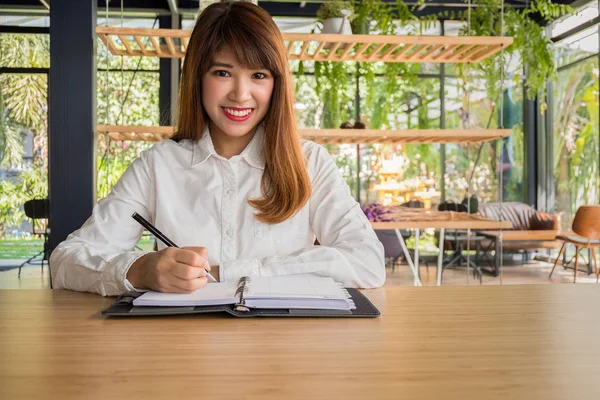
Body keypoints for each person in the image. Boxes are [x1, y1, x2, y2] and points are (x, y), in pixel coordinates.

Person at [49, 0, 385, 296]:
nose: (240, 94)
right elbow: (66, 261)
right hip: (183, 351)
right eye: (223, 72)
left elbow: (367, 261)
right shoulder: (159, 166)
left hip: (283, 353)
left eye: (258, 75)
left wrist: (230, 274)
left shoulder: (310, 162)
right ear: (197, 77)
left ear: (276, 83)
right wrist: (139, 270)